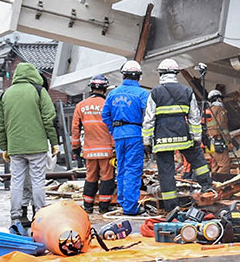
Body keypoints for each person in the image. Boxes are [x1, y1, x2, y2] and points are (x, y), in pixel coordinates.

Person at [142, 59, 212, 213]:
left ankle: (171, 207)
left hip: (162, 140)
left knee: (166, 173)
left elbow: (149, 119)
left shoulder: (155, 93)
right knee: (198, 161)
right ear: (176, 74)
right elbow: (194, 117)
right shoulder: (187, 91)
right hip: (183, 136)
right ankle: (207, 186)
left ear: (160, 74)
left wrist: (146, 141)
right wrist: (196, 138)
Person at [0, 62, 59, 227]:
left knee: (17, 181)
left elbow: (0, 124)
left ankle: (16, 216)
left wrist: (4, 147)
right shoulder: (39, 91)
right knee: (38, 180)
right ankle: (39, 214)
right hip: (37, 146)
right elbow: (49, 118)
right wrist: (54, 142)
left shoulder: (5, 95)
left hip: (15, 147)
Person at [101, 60, 149, 215]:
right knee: (133, 169)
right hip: (135, 133)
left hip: (119, 135)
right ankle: (130, 207)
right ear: (139, 77)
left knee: (121, 167)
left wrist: (113, 130)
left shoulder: (113, 94)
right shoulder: (142, 94)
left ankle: (123, 201)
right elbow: (147, 116)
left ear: (123, 75)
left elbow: (105, 114)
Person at [71, 74, 115, 214]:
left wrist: (76, 148)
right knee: (107, 178)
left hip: (89, 151)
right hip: (106, 150)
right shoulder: (108, 105)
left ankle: (88, 206)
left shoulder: (81, 106)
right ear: (105, 88)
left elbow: (75, 128)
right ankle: (103, 207)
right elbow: (114, 127)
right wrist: (115, 147)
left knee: (90, 177)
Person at [203, 89, 232, 174]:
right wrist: (228, 141)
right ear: (218, 99)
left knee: (215, 166)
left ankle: (213, 183)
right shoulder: (220, 109)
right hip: (218, 141)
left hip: (210, 143)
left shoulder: (209, 110)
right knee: (224, 165)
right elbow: (222, 126)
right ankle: (220, 185)